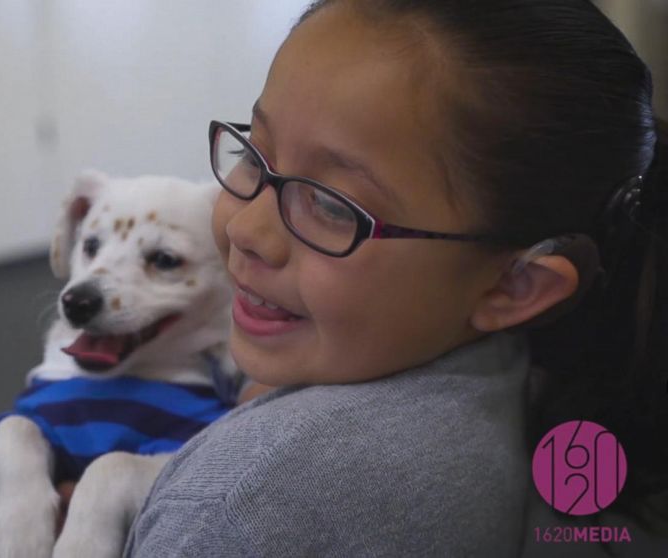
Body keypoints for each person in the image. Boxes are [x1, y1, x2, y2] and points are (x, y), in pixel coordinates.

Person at [121, 0, 668, 556]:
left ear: (514, 286)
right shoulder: (510, 372)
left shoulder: (254, 501)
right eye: (255, 154)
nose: (245, 228)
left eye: (333, 206)